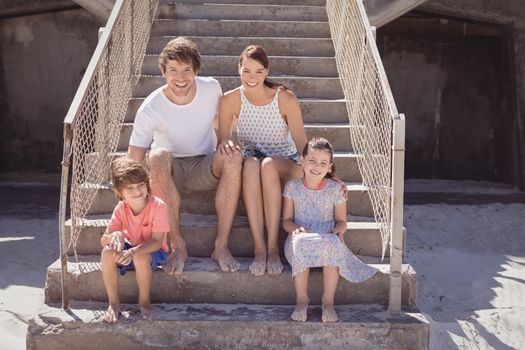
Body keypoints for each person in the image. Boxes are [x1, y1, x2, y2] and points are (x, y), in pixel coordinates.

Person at [128, 37, 243, 275]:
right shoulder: (151, 107)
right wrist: (129, 196)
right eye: (173, 70)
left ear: (196, 71)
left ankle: (221, 246)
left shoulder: (211, 88)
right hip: (170, 171)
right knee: (156, 155)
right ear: (163, 72)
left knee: (232, 155)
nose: (180, 77)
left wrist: (228, 142)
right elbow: (134, 158)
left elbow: (222, 121)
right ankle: (177, 246)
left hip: (205, 164)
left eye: (186, 70)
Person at [219, 45, 307, 276]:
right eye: (246, 70)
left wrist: (329, 175)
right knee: (249, 165)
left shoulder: (285, 98)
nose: (252, 77)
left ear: (267, 72)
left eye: (258, 71)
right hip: (253, 161)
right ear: (238, 69)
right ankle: (260, 249)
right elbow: (222, 142)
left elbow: (302, 147)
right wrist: (227, 146)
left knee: (267, 165)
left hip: (287, 162)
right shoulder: (230, 100)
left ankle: (273, 248)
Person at [282, 137, 378, 323]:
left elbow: (342, 222)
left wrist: (338, 231)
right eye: (312, 161)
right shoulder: (292, 187)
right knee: (300, 242)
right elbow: (286, 221)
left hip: (327, 234)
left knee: (332, 243)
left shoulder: (334, 190)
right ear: (301, 160)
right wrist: (295, 229)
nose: (317, 167)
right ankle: (302, 300)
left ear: (329, 167)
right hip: (301, 235)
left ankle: (328, 302)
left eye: (323, 163)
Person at [100, 157, 170, 323]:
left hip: (155, 252)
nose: (137, 191)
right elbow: (103, 240)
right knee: (107, 252)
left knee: (140, 256)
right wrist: (114, 236)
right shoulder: (121, 208)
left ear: (147, 184)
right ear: (119, 193)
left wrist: (132, 251)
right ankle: (114, 304)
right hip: (130, 248)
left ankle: (144, 301)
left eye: (141, 185)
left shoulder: (158, 206)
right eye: (130, 188)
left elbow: (157, 242)